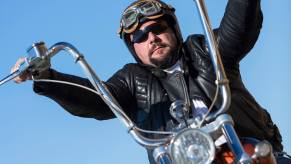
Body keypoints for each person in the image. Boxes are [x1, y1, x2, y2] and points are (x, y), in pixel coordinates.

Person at [12, 0, 289, 163]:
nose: (151, 38)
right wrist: (47, 76)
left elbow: (238, 28)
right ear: (133, 48)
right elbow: (98, 99)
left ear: (173, 30)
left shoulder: (204, 51)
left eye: (157, 28)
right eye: (139, 37)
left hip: (248, 149)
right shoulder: (132, 79)